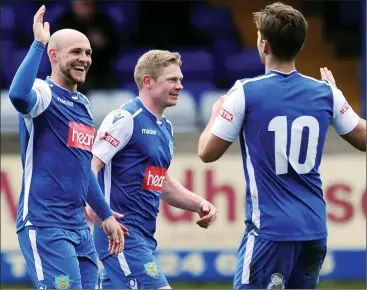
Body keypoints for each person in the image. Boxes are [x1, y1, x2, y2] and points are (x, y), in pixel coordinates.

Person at [198, 2, 366, 289]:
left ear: (264, 45)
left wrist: (215, 115)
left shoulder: (245, 92)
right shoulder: (327, 93)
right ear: (300, 45)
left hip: (270, 232)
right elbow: (362, 138)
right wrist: (337, 94)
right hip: (314, 231)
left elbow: (206, 153)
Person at [8, 6, 127, 289]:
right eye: (76, 52)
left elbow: (84, 169)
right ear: (54, 55)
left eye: (87, 53)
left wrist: (106, 215)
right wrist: (38, 43)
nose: (84, 59)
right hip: (45, 223)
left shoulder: (83, 106)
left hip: (78, 227)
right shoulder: (43, 93)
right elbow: (17, 95)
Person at [86, 50, 217, 289]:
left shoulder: (165, 127)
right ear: (148, 81)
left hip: (144, 237)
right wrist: (103, 215)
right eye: (172, 80)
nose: (180, 86)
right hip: (122, 236)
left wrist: (198, 203)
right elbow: (89, 169)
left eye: (180, 79)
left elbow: (162, 183)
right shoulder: (125, 119)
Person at [54, 0, 120, 92]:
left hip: (102, 70)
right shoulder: (65, 23)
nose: (87, 8)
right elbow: (58, 51)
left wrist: (104, 42)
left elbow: (117, 48)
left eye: (90, 5)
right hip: (72, 71)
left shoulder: (102, 20)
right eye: (84, 5)